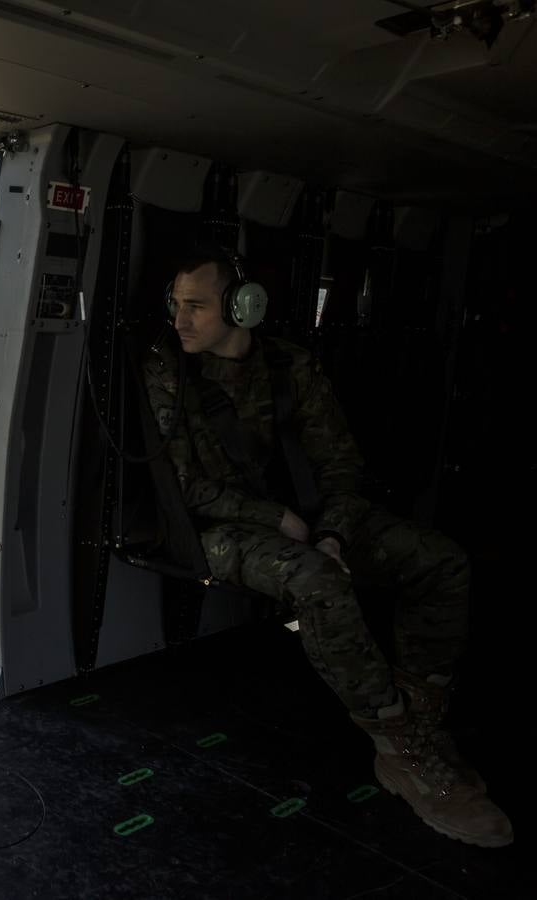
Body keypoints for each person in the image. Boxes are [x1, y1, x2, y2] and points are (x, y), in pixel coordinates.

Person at [142, 244, 512, 848]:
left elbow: (340, 461)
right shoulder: (170, 376)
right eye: (175, 305)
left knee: (441, 561)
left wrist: (334, 529)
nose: (180, 321)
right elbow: (183, 487)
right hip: (218, 532)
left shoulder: (290, 367)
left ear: (242, 307)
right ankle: (399, 747)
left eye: (196, 307)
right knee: (318, 580)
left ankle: (420, 715)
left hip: (311, 522)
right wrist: (281, 519)